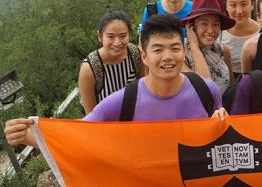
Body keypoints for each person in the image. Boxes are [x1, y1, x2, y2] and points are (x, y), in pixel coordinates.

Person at [4, 14, 227, 148]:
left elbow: (221, 138)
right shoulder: (122, 101)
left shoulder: (204, 89)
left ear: (183, 52)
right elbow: (79, 137)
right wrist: (30, 136)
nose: (167, 57)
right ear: (144, 56)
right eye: (158, 49)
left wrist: (222, 122)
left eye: (175, 48)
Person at [78, 11, 143, 114]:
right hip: (103, 122)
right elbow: (91, 116)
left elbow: (143, 93)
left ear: (129, 35)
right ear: (100, 36)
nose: (117, 43)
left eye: (123, 36)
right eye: (111, 37)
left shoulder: (137, 55)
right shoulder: (90, 68)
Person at [182, 0, 235, 95]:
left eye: (215, 24)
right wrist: (194, 46)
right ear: (191, 26)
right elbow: (203, 86)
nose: (210, 30)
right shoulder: (180, 53)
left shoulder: (223, 50)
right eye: (204, 24)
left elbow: (232, 88)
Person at [220, 0, 260, 80]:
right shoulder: (218, 32)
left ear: (252, 5)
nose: (239, 11)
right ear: (226, 6)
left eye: (244, 4)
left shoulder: (261, 32)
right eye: (233, 5)